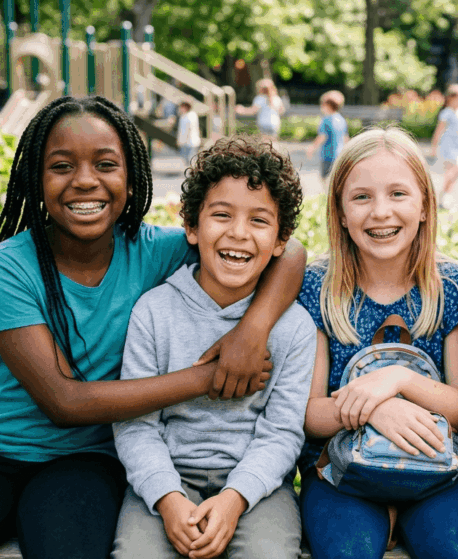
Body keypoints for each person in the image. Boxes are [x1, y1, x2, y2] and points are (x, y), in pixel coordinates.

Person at [0, 96, 307, 559]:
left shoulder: (151, 251)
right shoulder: (6, 268)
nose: (85, 181)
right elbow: (63, 401)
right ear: (36, 178)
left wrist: (251, 331)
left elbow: (291, 252)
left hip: (86, 459)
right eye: (61, 166)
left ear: (130, 175)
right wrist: (209, 376)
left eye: (106, 164)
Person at [112, 136, 316, 559]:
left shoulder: (293, 326)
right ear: (191, 226)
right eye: (221, 215)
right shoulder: (153, 312)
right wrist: (168, 499)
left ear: (281, 240)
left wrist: (234, 498)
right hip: (165, 479)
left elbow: (281, 432)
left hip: (256, 487)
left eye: (259, 221)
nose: (238, 233)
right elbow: (136, 426)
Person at [297, 127, 458, 559]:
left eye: (398, 194)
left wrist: (397, 379)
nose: (381, 212)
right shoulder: (318, 290)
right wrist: (377, 408)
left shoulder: (450, 286)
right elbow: (309, 414)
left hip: (436, 472)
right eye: (361, 197)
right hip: (340, 474)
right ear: (340, 212)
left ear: (423, 206)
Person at [306, 90, 349, 184]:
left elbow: (322, 136)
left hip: (328, 155)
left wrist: (312, 148)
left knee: (324, 179)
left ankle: (326, 197)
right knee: (335, 179)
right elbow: (345, 138)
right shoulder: (341, 119)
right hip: (339, 154)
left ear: (328, 105)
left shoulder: (326, 120)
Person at [176, 101, 201, 165]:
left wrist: (182, 140)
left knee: (190, 159)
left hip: (190, 141)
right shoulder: (185, 116)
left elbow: (188, 129)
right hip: (187, 142)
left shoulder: (190, 116)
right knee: (188, 159)